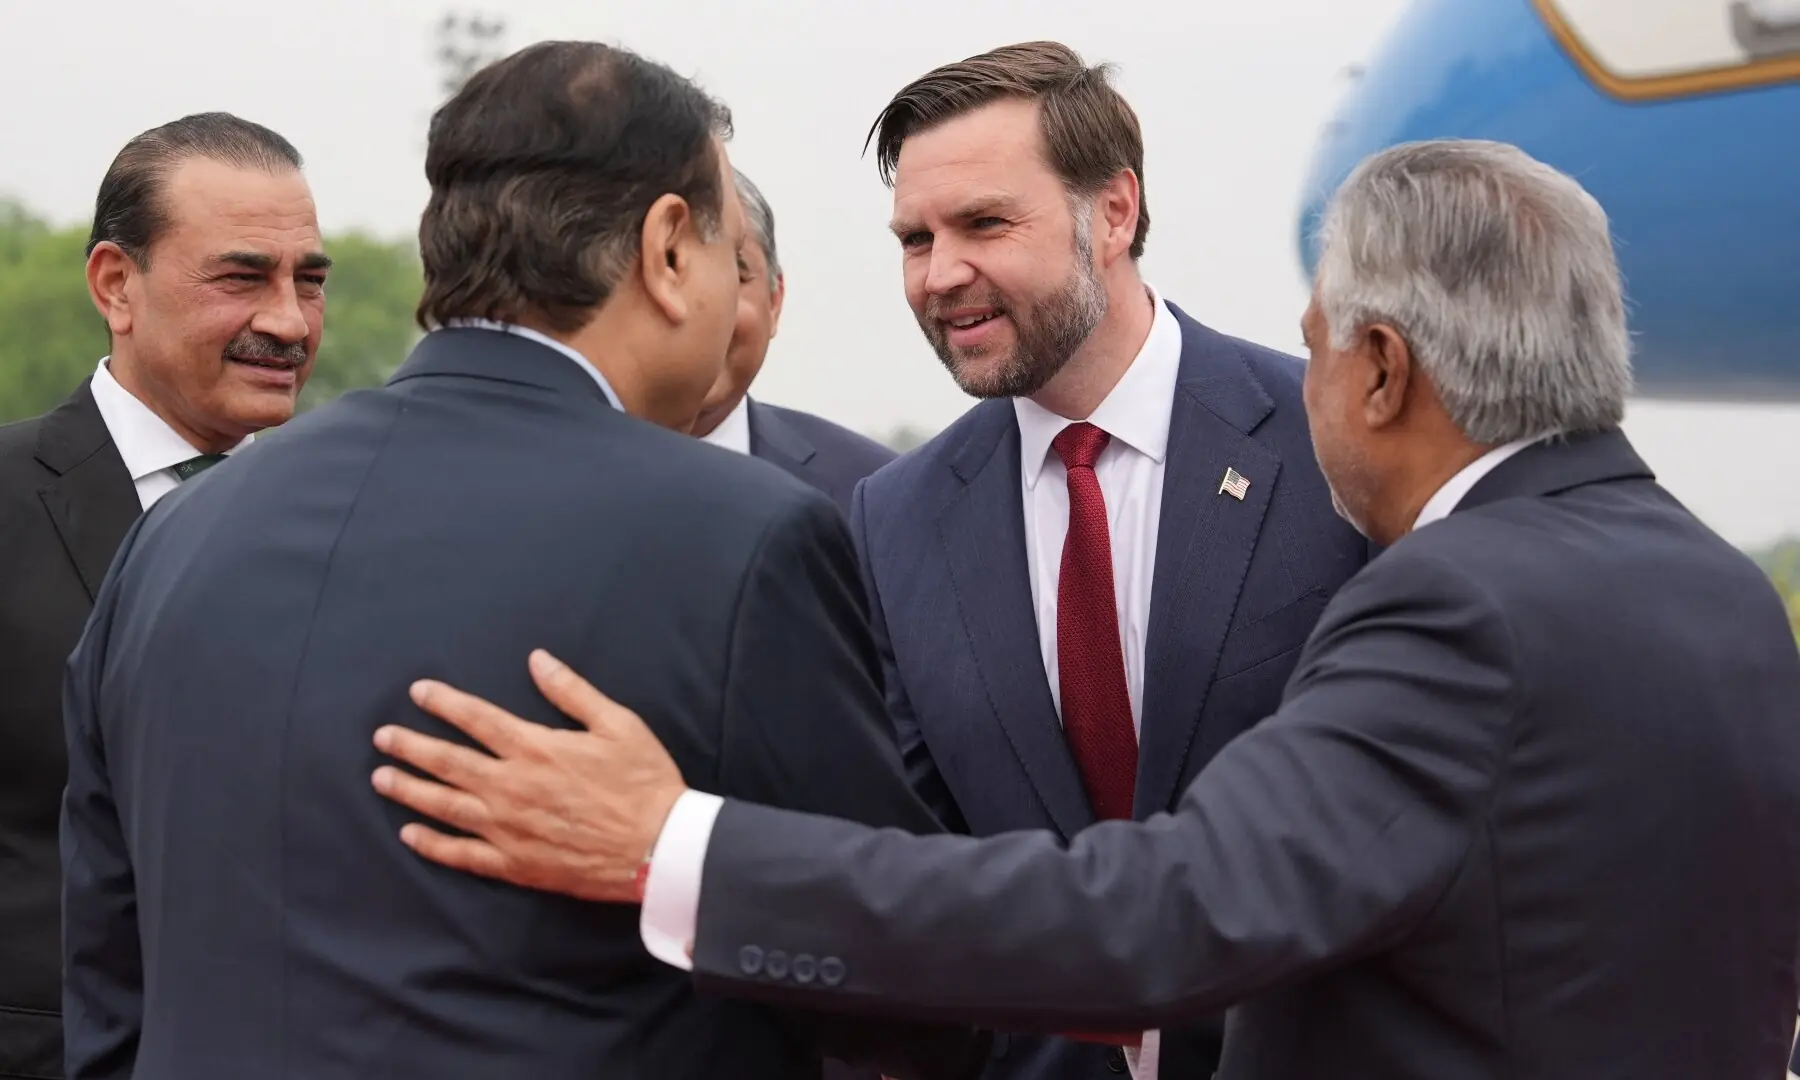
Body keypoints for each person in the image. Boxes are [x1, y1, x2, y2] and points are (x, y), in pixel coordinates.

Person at [370, 139, 1800, 1080]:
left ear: (1379, 370)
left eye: (1310, 355)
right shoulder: (1721, 594)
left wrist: (674, 843)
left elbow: (1167, 908)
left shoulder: (1456, 610)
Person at [60, 41, 984, 1080]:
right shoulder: (739, 539)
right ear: (669, 249)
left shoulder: (176, 537)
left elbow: (108, 988)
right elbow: (901, 996)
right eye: (732, 250)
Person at [854, 42, 1368, 1077]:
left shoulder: (1337, 444)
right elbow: (921, 862)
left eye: (985, 223)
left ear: (1116, 214)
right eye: (915, 238)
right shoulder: (892, 517)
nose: (941, 272)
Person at [0, 111, 323, 1078]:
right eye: (241, 276)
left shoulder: (373, 518)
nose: (290, 321)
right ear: (116, 285)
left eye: (309, 279)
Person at [694, 168, 896, 516]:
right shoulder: (568, 473)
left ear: (774, 299)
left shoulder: (877, 491)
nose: (702, 307)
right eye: (672, 270)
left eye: (734, 275)